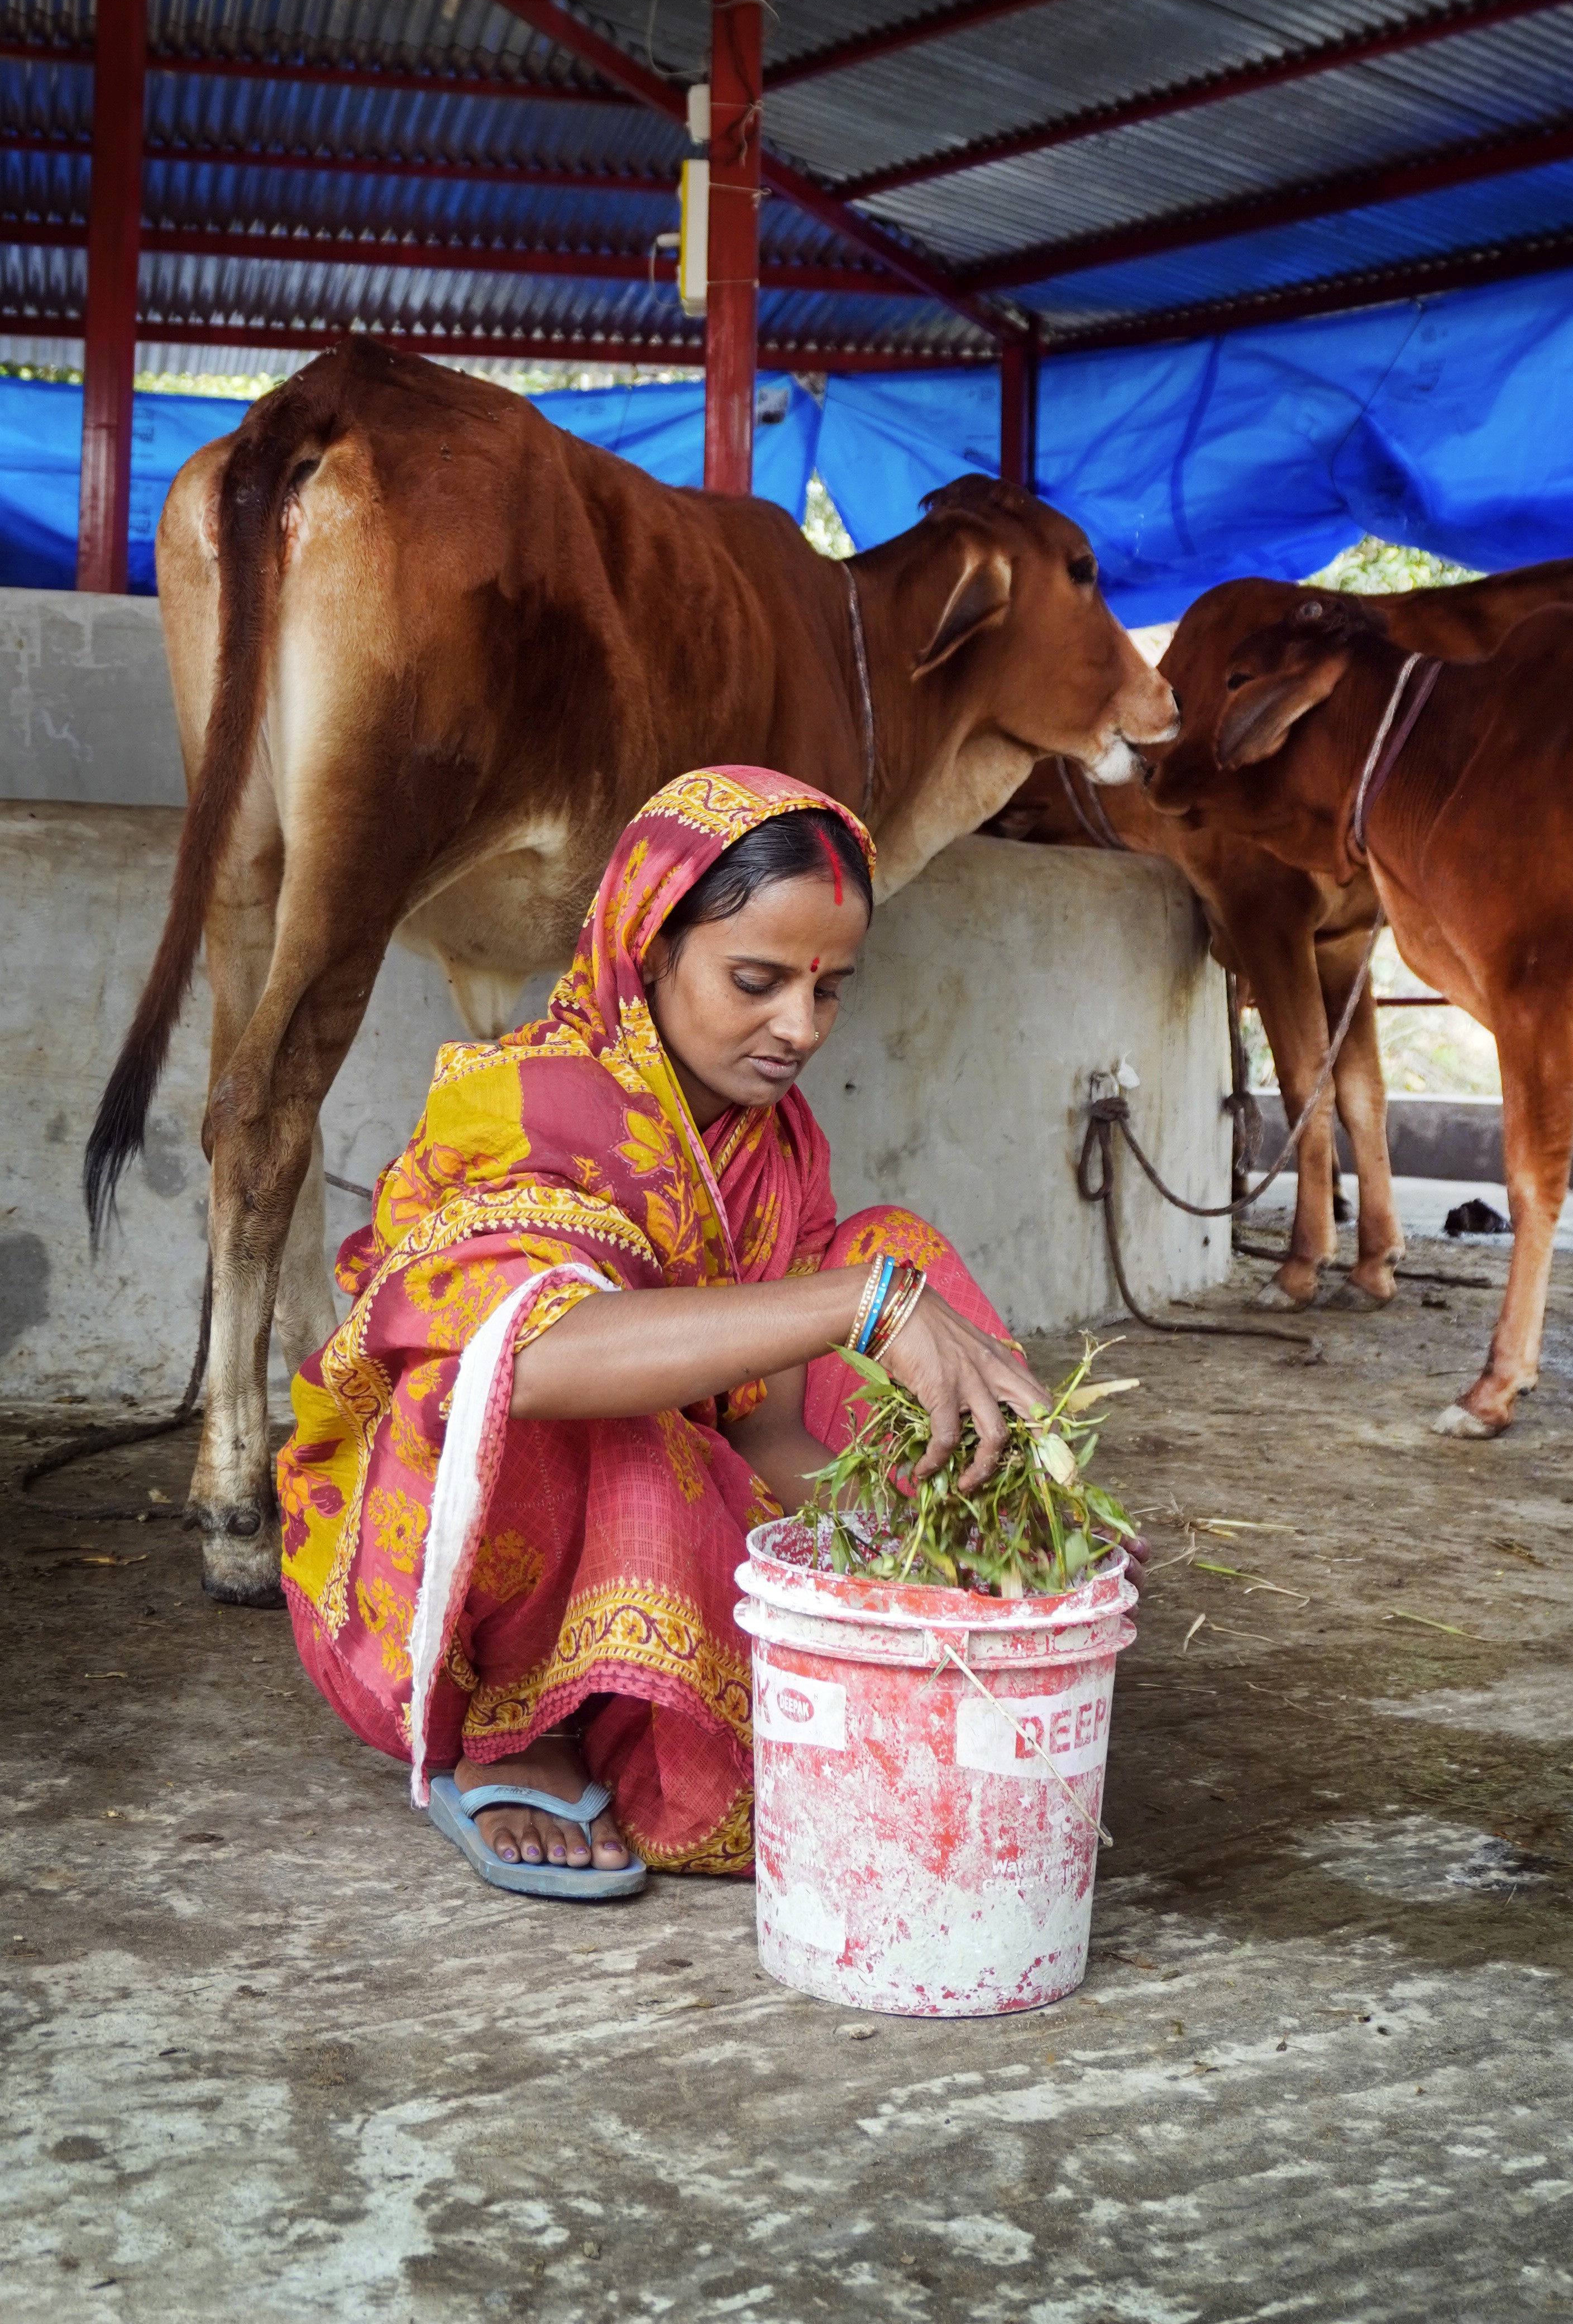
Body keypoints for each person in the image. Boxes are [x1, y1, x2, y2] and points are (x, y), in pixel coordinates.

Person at [279, 765, 1141, 1898]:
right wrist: (860, 1304)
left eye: (829, 990)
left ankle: (950, 1587)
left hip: (687, 1496)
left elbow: (764, 1431)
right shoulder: (524, 1101)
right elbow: (518, 1366)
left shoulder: (775, 1144)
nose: (799, 1028)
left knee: (896, 1249)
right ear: (650, 947)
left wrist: (918, 1549)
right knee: (639, 1420)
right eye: (756, 981)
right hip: (459, 1555)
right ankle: (516, 1727)